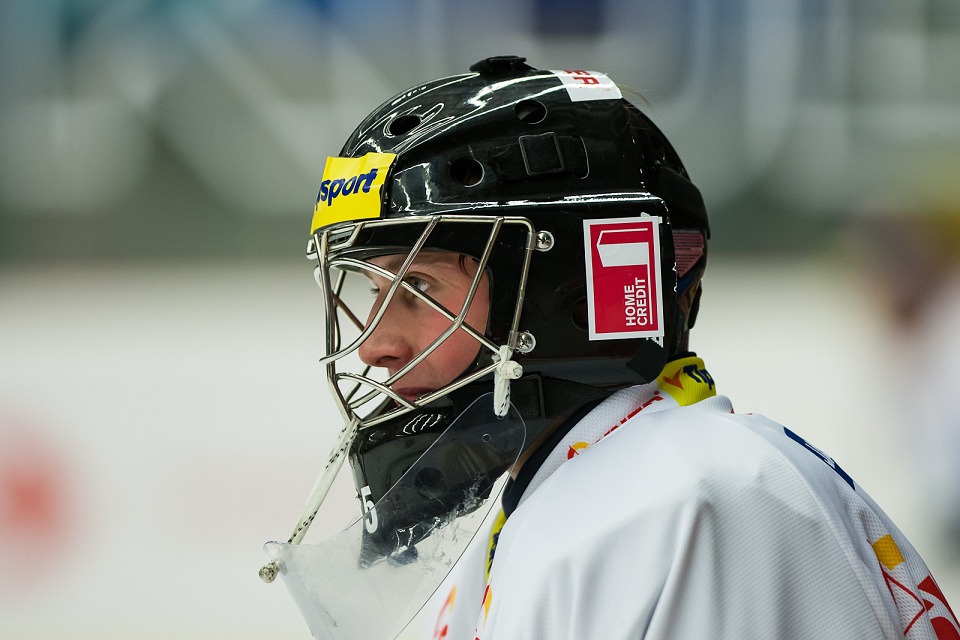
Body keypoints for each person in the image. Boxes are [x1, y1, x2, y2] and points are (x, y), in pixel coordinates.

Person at [264, 56, 960, 639]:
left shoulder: (685, 501)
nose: (376, 346)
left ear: (570, 293)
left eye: (417, 286)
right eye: (374, 290)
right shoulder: (553, 504)